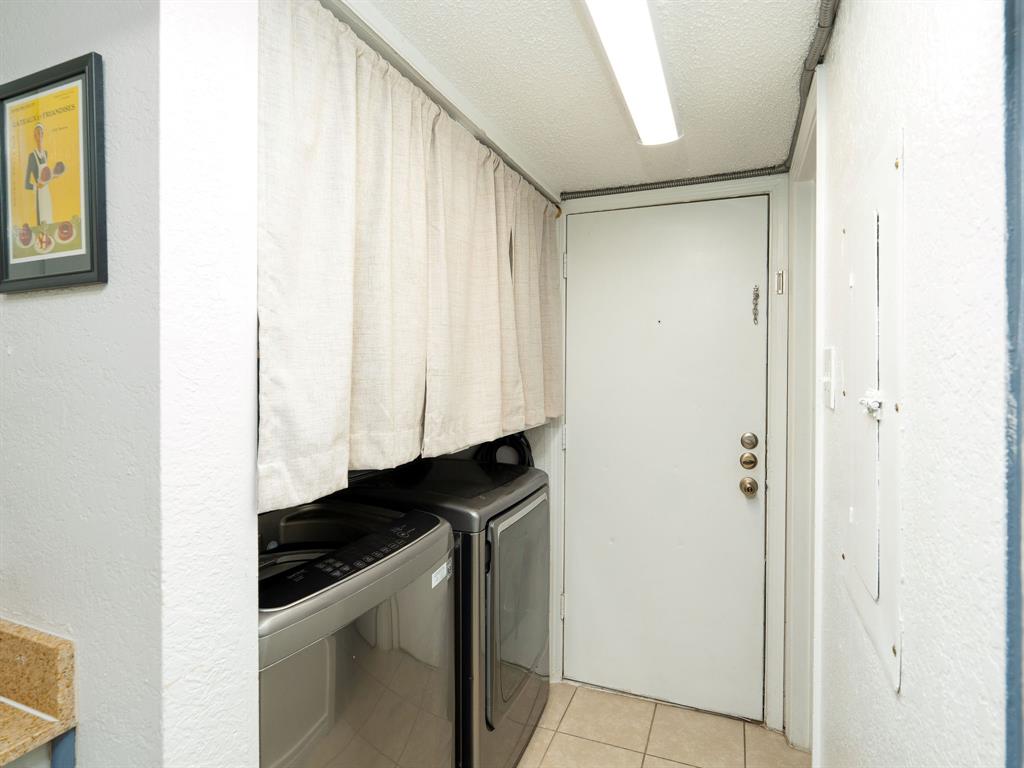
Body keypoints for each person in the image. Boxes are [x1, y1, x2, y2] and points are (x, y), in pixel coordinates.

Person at [24, 123, 53, 226]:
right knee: (42, 224)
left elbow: (47, 175)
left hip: (47, 193)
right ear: (34, 136)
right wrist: (36, 187)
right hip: (39, 195)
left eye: (41, 133)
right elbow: (26, 184)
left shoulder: (46, 154)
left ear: (43, 135)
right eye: (37, 134)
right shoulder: (32, 157)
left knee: (49, 221)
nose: (39, 136)